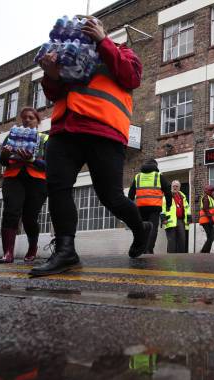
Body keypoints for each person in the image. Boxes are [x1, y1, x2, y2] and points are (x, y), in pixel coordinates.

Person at [31, 16, 151, 277]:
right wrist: (51, 75)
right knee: (57, 187)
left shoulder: (120, 49)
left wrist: (103, 41)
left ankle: (141, 229)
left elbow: (131, 77)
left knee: (111, 197)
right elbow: (53, 93)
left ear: (101, 28)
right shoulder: (66, 52)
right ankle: (66, 250)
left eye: (89, 26)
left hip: (104, 131)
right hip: (65, 130)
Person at [0, 107, 48, 264]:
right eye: (24, 117)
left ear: (37, 121)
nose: (27, 120)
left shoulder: (45, 138)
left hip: (37, 180)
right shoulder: (11, 136)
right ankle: (8, 253)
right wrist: (5, 155)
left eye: (31, 117)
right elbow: (3, 161)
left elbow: (50, 165)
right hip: (14, 177)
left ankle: (32, 248)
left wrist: (32, 160)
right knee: (10, 212)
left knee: (30, 217)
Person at [127, 159, 171, 254]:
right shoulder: (158, 176)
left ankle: (141, 248)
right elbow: (168, 191)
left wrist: (130, 206)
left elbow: (131, 193)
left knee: (142, 228)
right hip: (154, 207)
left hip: (140, 208)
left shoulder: (138, 177)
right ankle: (148, 249)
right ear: (155, 166)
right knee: (152, 228)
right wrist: (168, 205)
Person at [162, 180, 190, 253]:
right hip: (170, 221)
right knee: (172, 242)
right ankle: (171, 260)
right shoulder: (167, 195)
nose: (175, 188)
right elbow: (162, 208)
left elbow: (187, 208)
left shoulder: (182, 196)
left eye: (176, 186)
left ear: (179, 188)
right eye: (173, 186)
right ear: (171, 187)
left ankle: (181, 259)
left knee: (182, 240)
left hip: (180, 221)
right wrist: (163, 219)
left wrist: (188, 218)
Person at [199, 184, 214, 253]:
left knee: (211, 237)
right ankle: (203, 252)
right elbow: (206, 209)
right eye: (211, 191)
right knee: (210, 237)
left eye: (213, 191)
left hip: (209, 221)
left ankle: (206, 252)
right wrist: (211, 220)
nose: (213, 192)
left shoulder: (211, 198)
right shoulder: (206, 198)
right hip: (206, 221)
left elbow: (213, 212)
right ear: (207, 191)